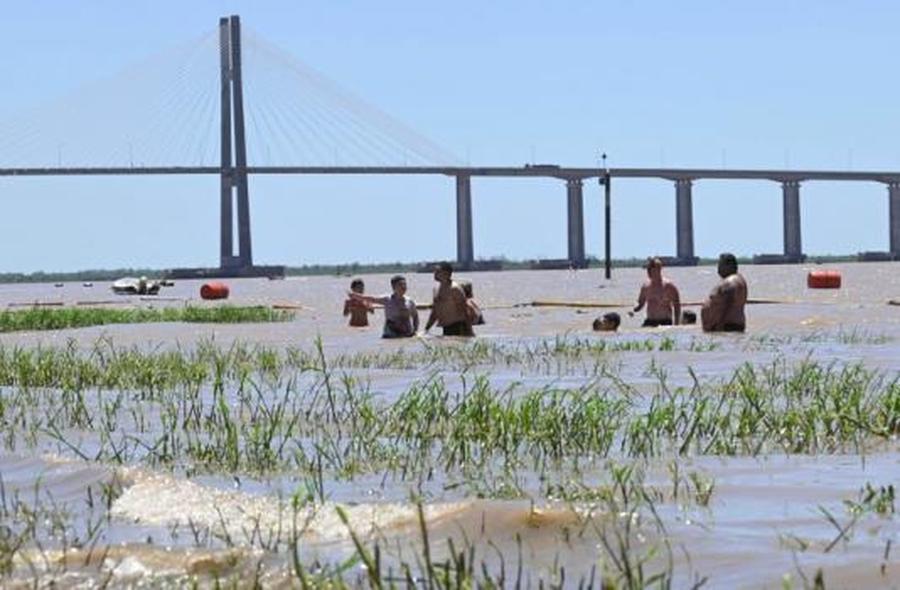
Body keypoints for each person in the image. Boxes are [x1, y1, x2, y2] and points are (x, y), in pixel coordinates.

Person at [349, 275, 419, 338]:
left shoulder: (410, 301)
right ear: (394, 287)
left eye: (405, 284)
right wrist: (356, 296)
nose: (403, 287)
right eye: (400, 285)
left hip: (407, 333)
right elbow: (371, 298)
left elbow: (415, 316)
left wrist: (415, 331)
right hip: (391, 334)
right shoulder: (387, 299)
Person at [701, 252, 748, 332]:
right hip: (729, 326)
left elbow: (728, 301)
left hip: (726, 326)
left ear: (728, 265)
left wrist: (720, 324)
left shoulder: (731, 281)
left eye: (720, 265)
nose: (718, 269)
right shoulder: (736, 280)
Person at [424, 262, 473, 336]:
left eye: (437, 271)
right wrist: (426, 329)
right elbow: (435, 312)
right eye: (434, 271)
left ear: (446, 273)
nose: (434, 273)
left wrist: (470, 331)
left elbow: (465, 311)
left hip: (458, 326)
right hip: (446, 328)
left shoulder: (455, 289)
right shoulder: (436, 289)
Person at [632, 257, 681, 327]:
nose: (649, 272)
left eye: (652, 269)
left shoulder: (669, 286)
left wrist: (676, 325)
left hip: (665, 322)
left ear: (659, 269)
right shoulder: (645, 287)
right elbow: (640, 303)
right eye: (648, 269)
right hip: (650, 321)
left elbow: (677, 306)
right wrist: (633, 309)